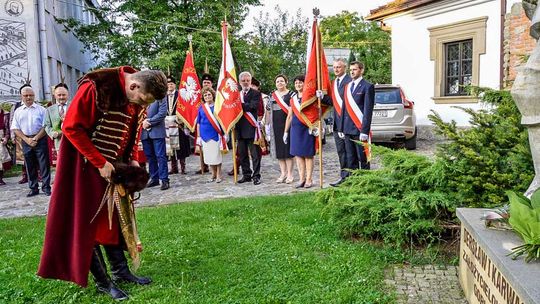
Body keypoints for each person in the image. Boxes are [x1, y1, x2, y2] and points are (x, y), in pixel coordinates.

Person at [37, 67, 167, 301]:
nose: (143, 106)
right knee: (87, 223)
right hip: (85, 167)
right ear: (134, 86)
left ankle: (120, 271)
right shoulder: (96, 87)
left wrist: (133, 158)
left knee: (114, 218)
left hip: (115, 167)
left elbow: (133, 126)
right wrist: (100, 162)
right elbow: (71, 128)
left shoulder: (135, 94)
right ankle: (103, 282)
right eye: (143, 100)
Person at [11, 85, 51, 196]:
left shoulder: (42, 110)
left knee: (44, 165)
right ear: (21, 96)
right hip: (25, 140)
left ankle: (46, 187)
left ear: (34, 96)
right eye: (26, 95)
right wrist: (27, 140)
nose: (29, 97)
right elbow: (15, 128)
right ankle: (33, 188)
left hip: (40, 139)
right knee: (29, 165)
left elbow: (46, 126)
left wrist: (36, 138)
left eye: (31, 95)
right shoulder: (18, 111)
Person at [341, 61, 375, 176]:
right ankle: (355, 183)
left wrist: (364, 131)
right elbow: (344, 109)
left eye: (354, 69)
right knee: (351, 159)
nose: (352, 72)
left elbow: (367, 111)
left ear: (361, 70)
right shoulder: (347, 87)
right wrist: (341, 128)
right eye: (351, 70)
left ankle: (365, 182)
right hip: (347, 129)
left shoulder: (367, 86)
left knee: (363, 158)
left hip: (359, 129)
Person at [265, 74, 294, 184]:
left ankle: (290, 174)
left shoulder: (292, 94)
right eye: (277, 81)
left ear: (286, 82)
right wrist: (267, 126)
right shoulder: (272, 96)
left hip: (288, 125)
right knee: (279, 152)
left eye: (282, 81)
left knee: (287, 151)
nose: (280, 83)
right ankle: (283, 173)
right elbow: (268, 110)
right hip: (275, 126)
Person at [235, 71, 263, 185]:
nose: (246, 83)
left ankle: (256, 176)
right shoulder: (236, 94)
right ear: (240, 82)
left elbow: (253, 106)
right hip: (240, 128)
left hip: (251, 128)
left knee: (255, 154)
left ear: (250, 81)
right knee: (242, 154)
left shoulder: (256, 93)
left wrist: (239, 105)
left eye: (248, 80)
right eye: (243, 81)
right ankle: (246, 175)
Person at [330, 58, 352, 186]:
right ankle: (344, 177)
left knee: (350, 152)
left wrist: (344, 126)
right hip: (337, 124)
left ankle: (352, 178)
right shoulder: (334, 83)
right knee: (341, 152)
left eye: (338, 67)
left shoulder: (350, 82)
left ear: (345, 68)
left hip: (347, 124)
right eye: (334, 67)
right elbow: (333, 102)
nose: (336, 69)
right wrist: (322, 96)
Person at [196, 87, 225, 183]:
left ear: (212, 95)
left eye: (209, 94)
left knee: (216, 155)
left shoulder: (217, 106)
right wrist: (199, 136)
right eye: (205, 95)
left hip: (215, 134)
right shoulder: (201, 107)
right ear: (203, 97)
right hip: (204, 135)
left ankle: (218, 174)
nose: (207, 96)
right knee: (209, 157)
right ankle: (213, 173)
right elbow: (198, 123)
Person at [141, 96, 169, 190]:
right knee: (150, 156)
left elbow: (162, 113)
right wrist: (141, 122)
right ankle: (154, 178)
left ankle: (164, 179)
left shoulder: (160, 95)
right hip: (144, 132)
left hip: (157, 131)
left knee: (160, 156)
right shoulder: (140, 94)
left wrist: (149, 121)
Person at [165, 76, 191, 175]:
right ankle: (173, 167)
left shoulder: (180, 95)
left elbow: (185, 108)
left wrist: (182, 120)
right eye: (168, 84)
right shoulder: (164, 97)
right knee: (170, 146)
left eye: (171, 84)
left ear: (174, 85)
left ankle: (183, 167)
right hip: (167, 124)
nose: (169, 86)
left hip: (178, 123)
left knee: (181, 146)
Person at [45, 83, 70, 160]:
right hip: (59, 143)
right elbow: (47, 125)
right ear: (55, 95)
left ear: (68, 94)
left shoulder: (74, 106)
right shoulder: (49, 109)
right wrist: (53, 133)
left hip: (74, 142)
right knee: (62, 165)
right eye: (59, 95)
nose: (61, 97)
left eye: (64, 95)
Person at [0, 103, 12, 185]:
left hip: (1, 137)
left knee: (2, 158)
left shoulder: (5, 114)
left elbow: (8, 128)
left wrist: (6, 138)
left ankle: (0, 178)